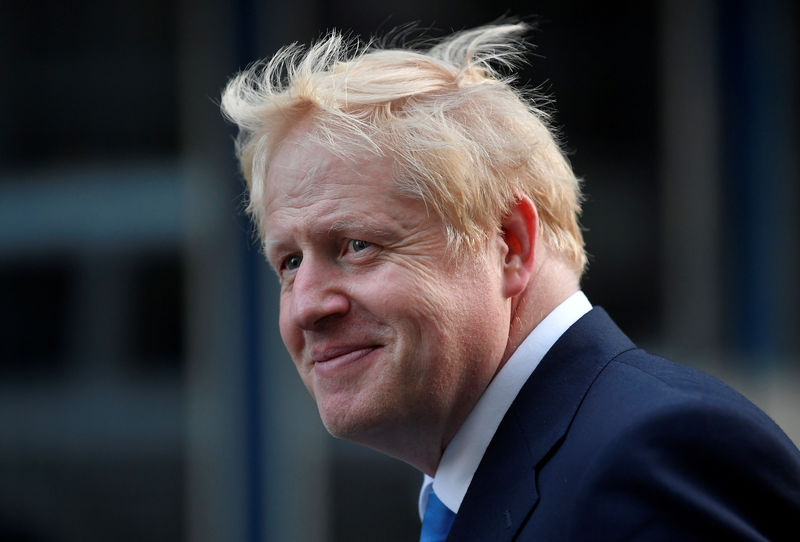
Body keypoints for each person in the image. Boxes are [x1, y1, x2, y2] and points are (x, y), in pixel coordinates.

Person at [221, 23, 800, 541]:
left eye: (356, 246)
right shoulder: (496, 480)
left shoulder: (649, 458)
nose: (306, 308)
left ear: (510, 243)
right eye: (290, 262)